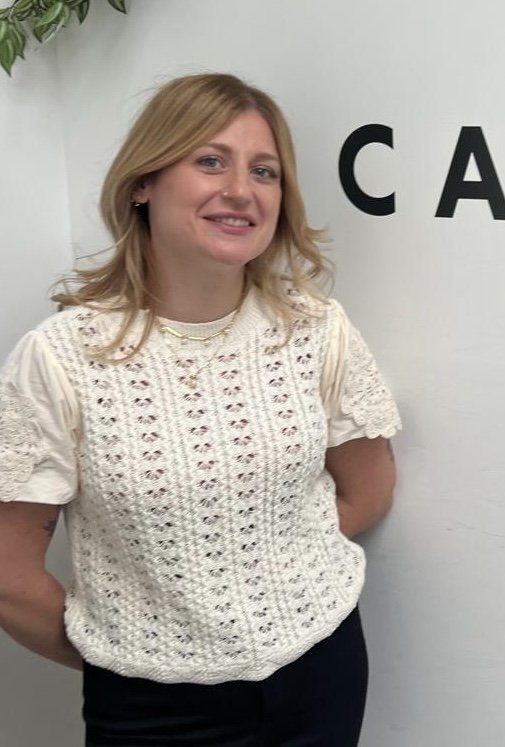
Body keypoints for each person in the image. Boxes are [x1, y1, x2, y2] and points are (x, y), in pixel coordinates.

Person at [0, 73, 400, 746]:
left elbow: (369, 489)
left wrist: (269, 585)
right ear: (143, 183)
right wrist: (136, 649)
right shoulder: (61, 358)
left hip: (320, 674)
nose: (241, 190)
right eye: (210, 161)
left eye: (264, 171)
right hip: (152, 710)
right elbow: (9, 577)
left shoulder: (314, 328)